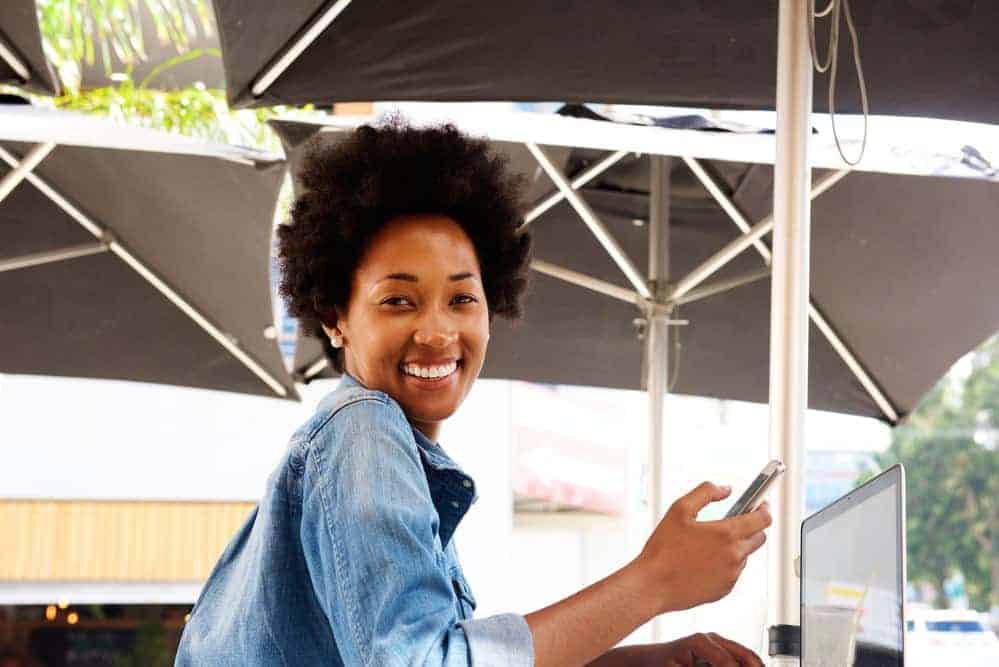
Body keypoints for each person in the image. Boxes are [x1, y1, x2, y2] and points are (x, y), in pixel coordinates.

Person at [175, 119, 772, 666]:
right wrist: (653, 582)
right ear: (336, 317)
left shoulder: (389, 454)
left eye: (462, 299)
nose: (437, 331)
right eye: (398, 301)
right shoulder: (364, 428)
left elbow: (444, 655)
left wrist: (644, 661)